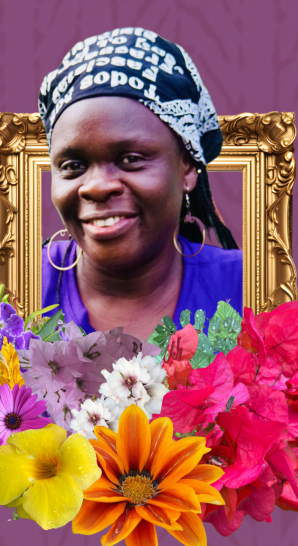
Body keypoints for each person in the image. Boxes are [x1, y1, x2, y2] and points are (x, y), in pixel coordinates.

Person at [39, 27, 242, 341]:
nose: (95, 186)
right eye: (73, 166)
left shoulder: (249, 287)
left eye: (131, 159)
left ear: (187, 167)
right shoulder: (13, 289)